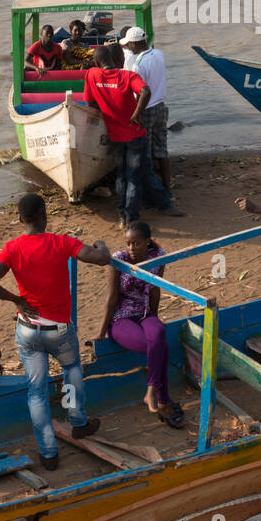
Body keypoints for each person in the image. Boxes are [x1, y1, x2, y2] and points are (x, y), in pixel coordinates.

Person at [0, 192, 111, 469]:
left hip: (28, 330)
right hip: (59, 330)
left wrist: (16, 300)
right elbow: (101, 258)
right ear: (45, 214)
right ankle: (78, 422)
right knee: (72, 369)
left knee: (36, 391)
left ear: (20, 218)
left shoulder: (12, 248)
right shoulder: (61, 242)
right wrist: (102, 244)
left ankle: (49, 453)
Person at [98, 221, 184, 428]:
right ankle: (161, 397)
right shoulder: (119, 260)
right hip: (121, 318)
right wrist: (101, 332)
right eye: (128, 243)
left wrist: (154, 319)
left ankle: (152, 390)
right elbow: (112, 297)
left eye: (136, 243)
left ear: (147, 242)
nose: (131, 248)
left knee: (159, 334)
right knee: (156, 347)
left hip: (145, 313)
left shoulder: (158, 257)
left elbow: (155, 291)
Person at [83, 44, 151, 226]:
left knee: (121, 175)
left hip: (115, 135)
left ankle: (122, 215)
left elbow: (91, 103)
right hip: (135, 133)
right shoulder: (128, 76)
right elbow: (145, 91)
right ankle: (132, 217)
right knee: (134, 177)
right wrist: (137, 113)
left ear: (97, 62)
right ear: (114, 59)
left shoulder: (91, 75)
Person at [119, 28, 184, 216]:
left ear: (133, 43)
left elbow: (139, 92)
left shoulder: (138, 64)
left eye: (128, 44)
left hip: (146, 109)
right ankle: (168, 190)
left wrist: (135, 114)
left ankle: (152, 197)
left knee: (145, 155)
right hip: (161, 107)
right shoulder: (158, 53)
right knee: (162, 151)